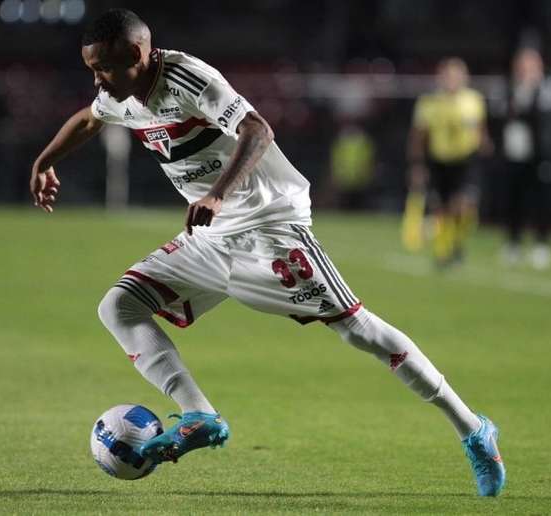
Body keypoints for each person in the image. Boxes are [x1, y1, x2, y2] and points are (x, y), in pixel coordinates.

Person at [29, 9, 505, 496]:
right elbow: (90, 119)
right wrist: (46, 161)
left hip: (271, 225)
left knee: (358, 329)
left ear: (136, 53)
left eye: (103, 67)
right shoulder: (119, 94)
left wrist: (217, 194)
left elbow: (257, 130)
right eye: (91, 68)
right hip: (211, 238)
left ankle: (473, 428)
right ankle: (200, 415)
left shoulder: (187, 78)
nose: (97, 79)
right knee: (118, 305)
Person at [404, 58, 491, 266]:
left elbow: (480, 130)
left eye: (456, 75)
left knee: (463, 206)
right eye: (448, 75)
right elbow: (418, 137)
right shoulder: (429, 103)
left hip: (465, 160)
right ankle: (444, 251)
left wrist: (485, 144)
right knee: (441, 210)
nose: (452, 80)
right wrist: (417, 165)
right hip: (439, 161)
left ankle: (457, 244)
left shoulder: (474, 101)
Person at [502, 48, 551, 270]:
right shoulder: (510, 86)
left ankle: (541, 244)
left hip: (540, 153)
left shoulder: (547, 86)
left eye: (530, 66)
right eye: (522, 66)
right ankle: (513, 243)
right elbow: (503, 112)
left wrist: (527, 95)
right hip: (516, 151)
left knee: (542, 199)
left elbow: (541, 113)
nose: (525, 70)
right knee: (514, 199)